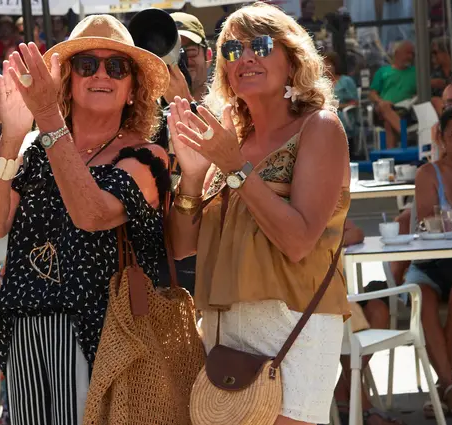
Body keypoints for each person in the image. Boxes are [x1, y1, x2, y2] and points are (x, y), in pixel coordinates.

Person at [0, 14, 170, 422]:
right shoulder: (31, 150)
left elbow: (92, 213)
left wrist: (46, 117)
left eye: (116, 67)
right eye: (86, 65)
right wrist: (10, 139)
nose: (101, 74)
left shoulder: (146, 158)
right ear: (69, 81)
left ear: (134, 90)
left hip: (108, 337)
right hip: (28, 332)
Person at [168, 3, 350, 425]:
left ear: (291, 61)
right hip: (225, 334)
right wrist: (193, 178)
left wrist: (234, 167)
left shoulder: (319, 128)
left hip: (295, 327)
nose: (245, 57)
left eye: (261, 46)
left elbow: (299, 240)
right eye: (232, 50)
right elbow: (180, 249)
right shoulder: (227, 140)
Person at [407, 105, 452, 419]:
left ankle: (442, 389)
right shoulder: (427, 173)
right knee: (422, 300)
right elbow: (429, 221)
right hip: (429, 264)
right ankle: (449, 386)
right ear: (442, 140)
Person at [333, 220, 403, 425]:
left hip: (341, 294)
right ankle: (363, 406)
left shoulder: (325, 204)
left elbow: (357, 232)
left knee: (378, 309)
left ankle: (341, 392)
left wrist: (327, 239)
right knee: (349, 319)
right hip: (319, 300)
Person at [369, 40, 416, 148]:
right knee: (384, 107)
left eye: (412, 54)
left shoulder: (415, 72)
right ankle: (406, 137)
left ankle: (393, 158)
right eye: (407, 53)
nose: (410, 56)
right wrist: (380, 101)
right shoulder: (383, 71)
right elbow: (372, 94)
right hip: (383, 109)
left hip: (405, 110)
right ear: (397, 53)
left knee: (388, 123)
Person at [168, 13, 213, 104]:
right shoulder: (149, 115)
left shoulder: (228, 108)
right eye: (173, 53)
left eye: (190, 52)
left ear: (208, 55)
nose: (183, 60)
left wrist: (186, 103)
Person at [324, 52, 359, 135]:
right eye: (323, 64)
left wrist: (337, 106)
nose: (325, 67)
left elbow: (355, 103)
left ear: (334, 65)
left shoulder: (346, 81)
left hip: (342, 115)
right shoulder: (320, 84)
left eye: (328, 64)